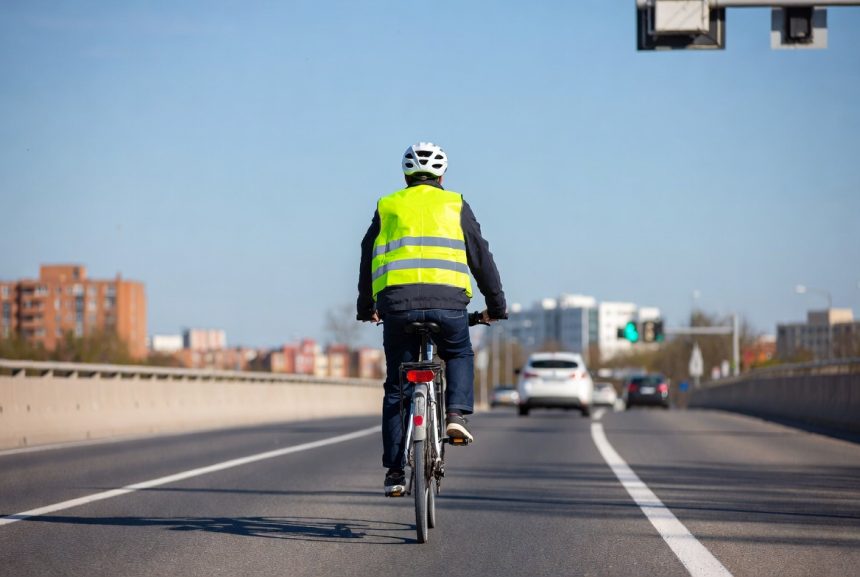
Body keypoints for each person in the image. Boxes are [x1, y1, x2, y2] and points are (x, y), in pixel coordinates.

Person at [356, 141, 507, 497]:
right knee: (458, 353)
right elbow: (481, 257)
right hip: (449, 304)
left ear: (406, 173)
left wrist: (367, 306)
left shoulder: (388, 205)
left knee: (397, 387)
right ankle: (455, 414)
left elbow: (368, 256)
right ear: (441, 174)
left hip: (397, 305)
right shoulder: (455, 204)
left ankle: (395, 471)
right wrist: (496, 306)